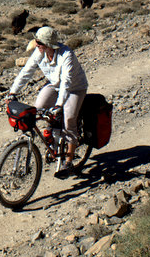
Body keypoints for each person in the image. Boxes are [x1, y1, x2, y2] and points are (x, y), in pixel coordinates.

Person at [6, 26, 88, 178]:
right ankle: (52, 133)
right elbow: (27, 71)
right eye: (36, 40)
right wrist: (13, 92)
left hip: (74, 88)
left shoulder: (66, 55)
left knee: (69, 119)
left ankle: (68, 162)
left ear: (49, 45)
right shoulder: (40, 52)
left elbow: (66, 82)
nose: (36, 44)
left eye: (40, 42)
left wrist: (58, 105)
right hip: (54, 85)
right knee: (38, 109)